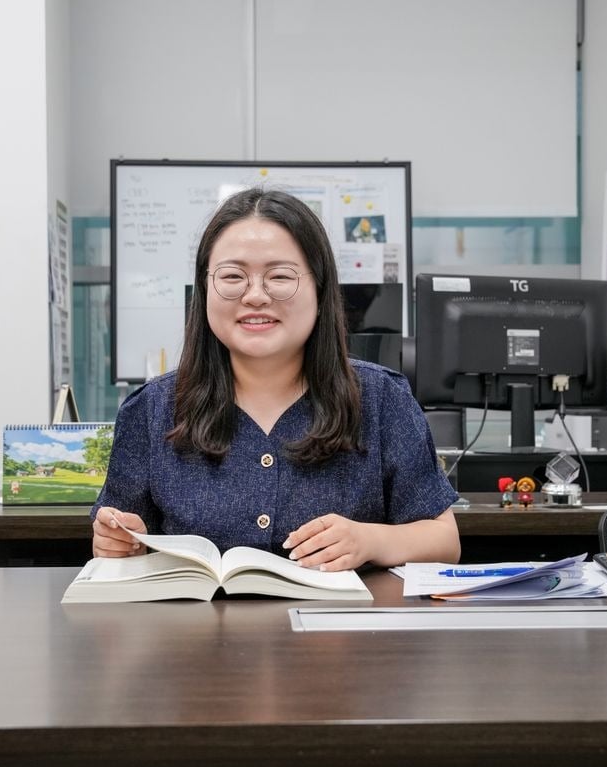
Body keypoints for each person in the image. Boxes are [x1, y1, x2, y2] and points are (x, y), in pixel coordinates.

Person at [92, 187, 460, 570]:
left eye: (279, 276)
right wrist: (118, 542)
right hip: (197, 628)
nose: (255, 296)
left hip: (341, 627)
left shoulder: (381, 398)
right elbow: (117, 537)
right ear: (205, 289)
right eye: (232, 276)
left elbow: (444, 538)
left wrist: (371, 539)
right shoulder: (151, 408)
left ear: (319, 288)